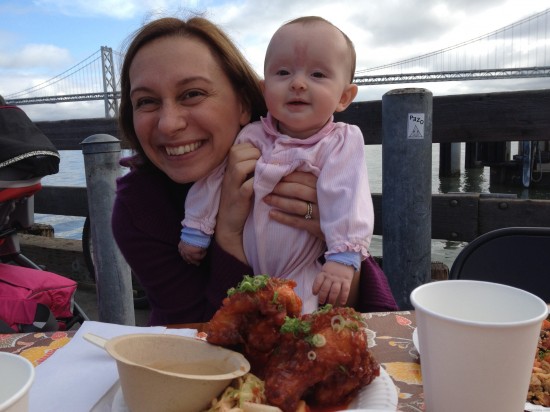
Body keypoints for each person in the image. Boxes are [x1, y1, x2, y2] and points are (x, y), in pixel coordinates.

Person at [111, 16, 398, 326]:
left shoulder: (325, 151)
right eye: (147, 101)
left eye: (192, 93)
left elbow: (363, 308)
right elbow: (196, 338)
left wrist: (332, 241)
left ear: (245, 104)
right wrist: (227, 234)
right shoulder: (138, 207)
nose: (169, 123)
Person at [179, 16, 375, 313]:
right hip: (250, 271)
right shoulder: (252, 136)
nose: (297, 83)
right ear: (265, 89)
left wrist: (342, 257)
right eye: (283, 73)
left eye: (318, 75)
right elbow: (216, 180)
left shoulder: (340, 142)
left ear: (344, 97)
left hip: (303, 271)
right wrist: (197, 227)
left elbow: (348, 195)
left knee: (301, 326)